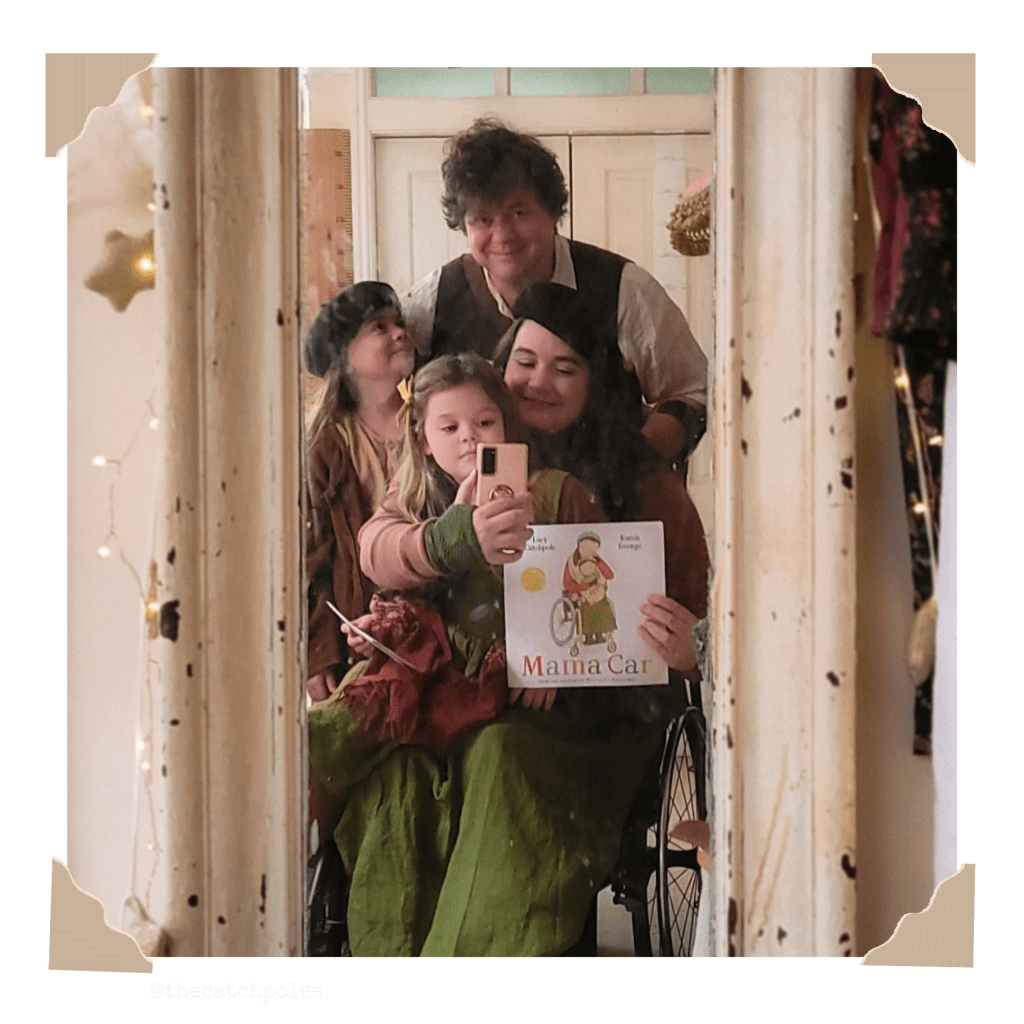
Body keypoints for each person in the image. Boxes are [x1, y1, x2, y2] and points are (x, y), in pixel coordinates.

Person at [309, 353, 685, 956]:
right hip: (436, 693)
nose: (469, 439)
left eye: (485, 423)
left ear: (507, 426)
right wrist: (449, 540)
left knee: (497, 753)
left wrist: (554, 662)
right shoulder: (411, 500)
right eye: (449, 427)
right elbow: (378, 551)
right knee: (389, 772)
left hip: (533, 703)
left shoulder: (558, 493)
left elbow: (601, 604)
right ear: (422, 439)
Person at [401, 117, 709, 464]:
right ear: (464, 226)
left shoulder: (624, 287)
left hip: (608, 510)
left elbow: (693, 391)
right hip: (481, 512)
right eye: (483, 220)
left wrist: (634, 466)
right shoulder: (432, 300)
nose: (502, 235)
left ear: (553, 212)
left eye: (518, 213)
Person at [495, 281, 710, 671]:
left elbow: (705, 621)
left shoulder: (647, 481)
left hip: (619, 708)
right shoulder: (467, 458)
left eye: (563, 368)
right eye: (525, 363)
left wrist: (696, 649)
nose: (539, 382)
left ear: (594, 386)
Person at [304, 281, 415, 702]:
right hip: (360, 635)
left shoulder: (434, 424)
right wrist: (317, 653)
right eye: (379, 328)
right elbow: (313, 554)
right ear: (345, 357)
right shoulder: (328, 446)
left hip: (429, 622)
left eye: (400, 323)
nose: (399, 333)